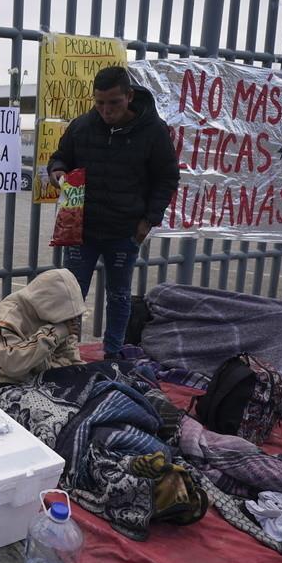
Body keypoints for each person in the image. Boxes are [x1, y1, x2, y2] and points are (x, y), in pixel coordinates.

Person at [47, 65, 180, 359]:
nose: (106, 110)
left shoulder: (154, 132)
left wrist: (149, 219)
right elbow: (60, 158)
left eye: (114, 103)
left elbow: (167, 178)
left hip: (125, 230)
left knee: (118, 295)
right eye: (100, 103)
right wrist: (57, 173)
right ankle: (67, 355)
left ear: (129, 96)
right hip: (82, 229)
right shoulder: (81, 127)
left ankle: (114, 353)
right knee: (71, 295)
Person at [0, 268, 85, 399]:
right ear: (48, 304)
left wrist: (80, 373)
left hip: (44, 374)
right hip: (10, 379)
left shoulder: (62, 317)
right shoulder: (10, 316)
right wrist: (54, 333)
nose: (70, 321)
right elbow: (12, 365)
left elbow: (68, 350)